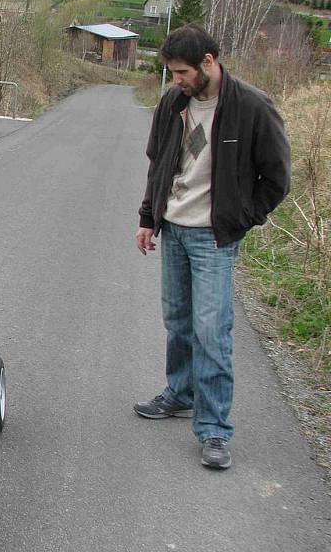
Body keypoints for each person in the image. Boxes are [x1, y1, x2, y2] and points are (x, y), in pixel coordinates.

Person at [134, 24, 290, 470]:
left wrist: (241, 219)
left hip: (214, 237)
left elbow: (277, 178)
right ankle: (179, 394)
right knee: (178, 321)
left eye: (181, 72)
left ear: (208, 62)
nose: (175, 80)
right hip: (175, 230)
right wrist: (149, 218)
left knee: (211, 331)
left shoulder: (252, 107)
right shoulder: (173, 103)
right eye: (171, 72)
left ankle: (215, 430)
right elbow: (158, 163)